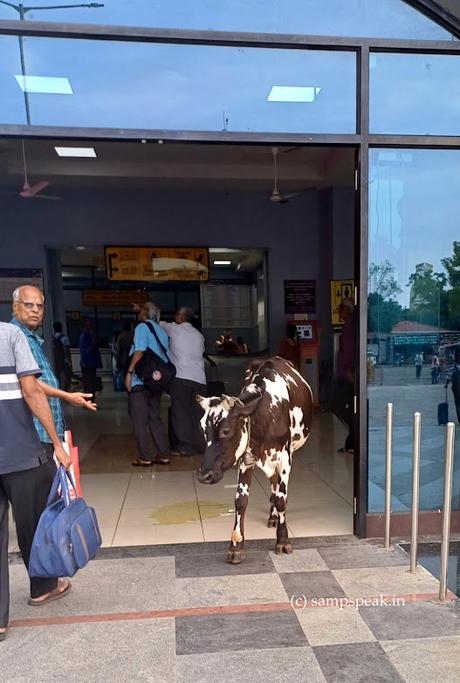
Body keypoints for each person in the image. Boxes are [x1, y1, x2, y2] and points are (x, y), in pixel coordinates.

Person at [0, 321, 72, 642]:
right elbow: (31, 390)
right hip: (20, 452)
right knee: (32, 521)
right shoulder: (10, 335)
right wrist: (56, 443)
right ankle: (43, 586)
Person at [11, 287, 97, 440]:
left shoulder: (29, 337)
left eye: (40, 306)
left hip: (44, 430)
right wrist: (68, 396)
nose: (35, 310)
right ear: (15, 306)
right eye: (29, 305)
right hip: (35, 431)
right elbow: (31, 385)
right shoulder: (15, 337)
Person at [125, 302, 171, 466]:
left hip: (141, 381)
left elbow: (140, 351)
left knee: (139, 420)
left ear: (144, 313)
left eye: (141, 311)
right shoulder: (161, 331)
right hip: (156, 382)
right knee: (155, 418)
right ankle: (164, 454)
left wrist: (129, 373)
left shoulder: (141, 328)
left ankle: (145, 457)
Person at [160, 307, 207, 456]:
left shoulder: (175, 329)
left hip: (181, 379)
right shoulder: (199, 335)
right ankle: (201, 445)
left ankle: (186, 447)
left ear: (181, 317)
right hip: (200, 380)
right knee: (198, 414)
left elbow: (156, 321)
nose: (174, 317)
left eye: (176, 314)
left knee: (181, 413)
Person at [334, 298, 355, 454]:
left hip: (347, 375)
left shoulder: (350, 327)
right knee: (346, 407)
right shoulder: (348, 326)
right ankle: (351, 442)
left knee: (340, 406)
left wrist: (348, 371)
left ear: (348, 310)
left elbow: (348, 351)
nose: (339, 310)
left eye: (341, 308)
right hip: (346, 373)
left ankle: (355, 438)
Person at [79, 319, 102, 401]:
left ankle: (91, 399)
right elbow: (85, 350)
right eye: (87, 326)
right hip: (87, 363)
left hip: (89, 363)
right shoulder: (85, 336)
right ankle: (89, 400)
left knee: (90, 383)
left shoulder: (86, 336)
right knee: (89, 383)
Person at [53, 321, 72, 391]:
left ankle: (58, 389)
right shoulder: (65, 338)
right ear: (61, 328)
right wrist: (70, 361)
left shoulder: (52, 338)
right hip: (64, 359)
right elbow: (67, 350)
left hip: (56, 359)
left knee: (58, 376)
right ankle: (65, 390)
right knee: (68, 376)